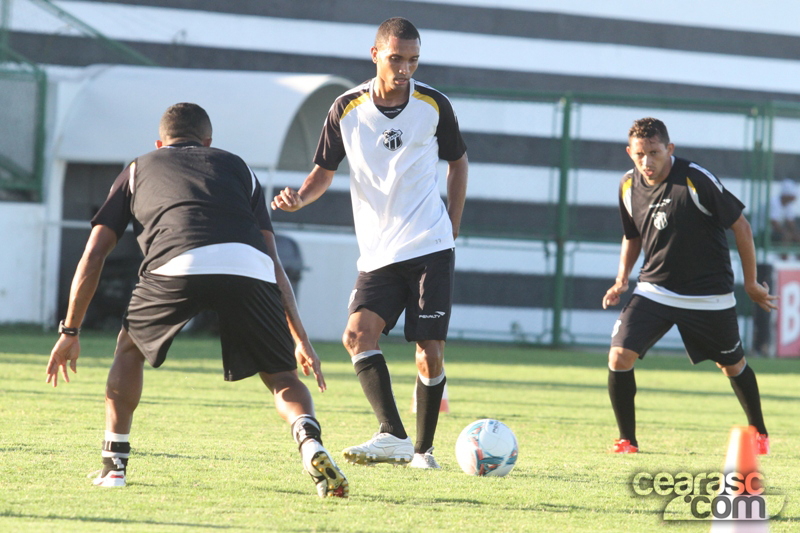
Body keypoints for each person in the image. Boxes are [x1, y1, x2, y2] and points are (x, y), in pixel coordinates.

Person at [45, 103, 348, 498]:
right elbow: (274, 262)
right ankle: (310, 441)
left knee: (129, 351)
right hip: (249, 265)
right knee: (282, 376)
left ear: (160, 142)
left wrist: (70, 330)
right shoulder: (239, 168)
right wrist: (300, 339)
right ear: (208, 143)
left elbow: (94, 254)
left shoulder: (137, 168)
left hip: (175, 263)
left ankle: (113, 466)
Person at [272, 17, 468, 469]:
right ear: (375, 53)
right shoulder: (346, 108)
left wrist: (452, 225)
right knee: (357, 335)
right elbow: (323, 173)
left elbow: (459, 164)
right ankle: (393, 435)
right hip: (379, 251)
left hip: (429, 244)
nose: (405, 69)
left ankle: (423, 451)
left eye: (413, 60)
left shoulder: (434, 104)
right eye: (397, 58)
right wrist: (300, 198)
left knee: (428, 351)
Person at [602, 117, 777, 455]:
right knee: (619, 356)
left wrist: (751, 283)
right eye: (640, 154)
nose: (647, 162)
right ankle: (627, 440)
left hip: (708, 295)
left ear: (670, 149)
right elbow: (632, 236)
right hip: (655, 289)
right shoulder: (627, 186)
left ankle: (759, 432)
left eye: (654, 152)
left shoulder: (695, 179)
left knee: (732, 365)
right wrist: (622, 277)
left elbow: (741, 227)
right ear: (629, 153)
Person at [769, 178, 800, 247]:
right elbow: (773, 223)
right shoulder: (774, 202)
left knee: (797, 237)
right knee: (786, 237)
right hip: (764, 232)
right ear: (786, 195)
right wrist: (786, 232)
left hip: (776, 231)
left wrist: (796, 233)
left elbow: (790, 222)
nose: (793, 199)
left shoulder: (788, 205)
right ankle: (782, 257)